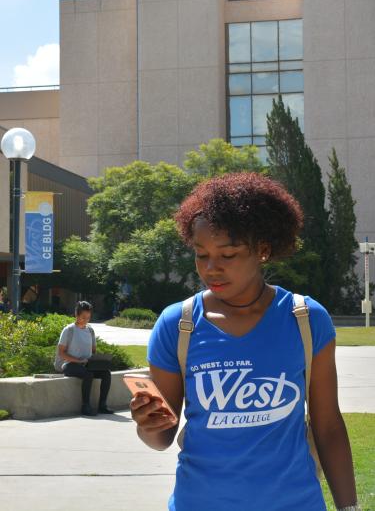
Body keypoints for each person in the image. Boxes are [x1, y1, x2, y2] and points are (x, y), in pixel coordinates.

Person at [130, 172, 359, 511]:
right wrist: (148, 425)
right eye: (201, 254)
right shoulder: (177, 325)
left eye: (228, 254)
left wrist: (349, 507)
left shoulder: (307, 319)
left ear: (262, 250)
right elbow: (162, 438)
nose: (211, 268)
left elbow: (328, 426)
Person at [57, 300, 114, 416]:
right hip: (69, 364)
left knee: (106, 373)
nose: (86, 320)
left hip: (86, 364)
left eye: (88, 318)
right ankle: (85, 406)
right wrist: (78, 360)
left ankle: (102, 405)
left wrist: (97, 361)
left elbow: (93, 351)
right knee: (88, 374)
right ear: (76, 315)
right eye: (83, 317)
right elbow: (61, 353)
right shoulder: (69, 330)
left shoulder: (90, 330)